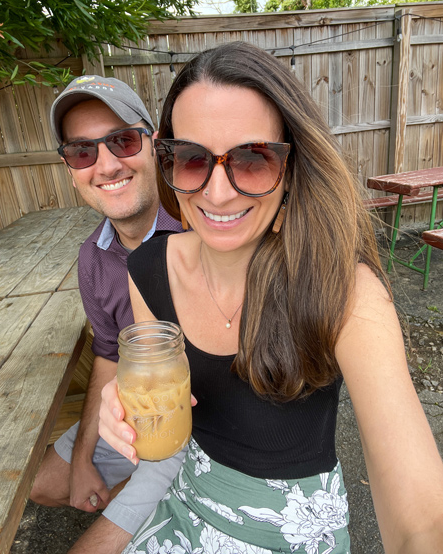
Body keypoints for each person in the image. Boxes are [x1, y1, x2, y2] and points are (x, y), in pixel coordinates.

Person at [98, 42, 443, 553]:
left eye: (253, 159)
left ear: (291, 167)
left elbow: (422, 517)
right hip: (185, 504)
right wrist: (129, 405)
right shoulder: (146, 270)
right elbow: (164, 410)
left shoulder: (344, 290)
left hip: (293, 531)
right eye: (192, 159)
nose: (217, 193)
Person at [30, 75, 185, 554]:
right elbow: (106, 354)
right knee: (44, 485)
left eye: (121, 140)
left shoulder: (199, 224)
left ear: (154, 145)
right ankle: (135, 504)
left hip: (202, 429)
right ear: (69, 167)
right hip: (134, 413)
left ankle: (153, 507)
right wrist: (82, 459)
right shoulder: (94, 257)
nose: (106, 164)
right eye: (82, 151)